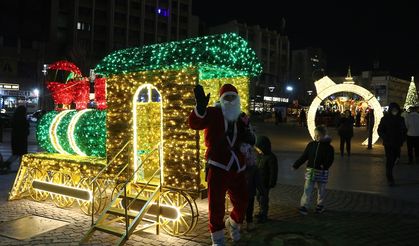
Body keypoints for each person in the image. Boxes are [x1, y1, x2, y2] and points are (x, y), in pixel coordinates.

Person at [189, 84, 255, 245]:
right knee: (216, 205)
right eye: (227, 97)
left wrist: (248, 132)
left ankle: (232, 223)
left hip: (238, 166)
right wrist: (200, 108)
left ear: (238, 99)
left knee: (243, 201)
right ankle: (217, 239)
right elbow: (194, 124)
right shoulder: (213, 113)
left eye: (233, 97)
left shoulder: (241, 117)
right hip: (218, 165)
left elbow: (251, 139)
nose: (231, 101)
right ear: (222, 99)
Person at [293, 125, 334, 215]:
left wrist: (325, 166)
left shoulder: (329, 148)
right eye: (315, 135)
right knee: (307, 189)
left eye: (318, 135)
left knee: (321, 190)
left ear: (324, 136)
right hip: (311, 171)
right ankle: (304, 205)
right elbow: (304, 156)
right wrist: (296, 165)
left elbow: (330, 159)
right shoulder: (311, 145)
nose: (316, 137)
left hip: (322, 172)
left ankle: (320, 205)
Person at [378, 102, 407, 186]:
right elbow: (380, 130)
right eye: (393, 110)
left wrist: (402, 138)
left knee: (395, 158)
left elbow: (404, 129)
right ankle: (389, 176)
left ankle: (389, 172)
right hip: (388, 143)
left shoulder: (401, 119)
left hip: (397, 142)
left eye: (396, 110)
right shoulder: (385, 119)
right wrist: (385, 137)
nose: (395, 111)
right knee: (390, 159)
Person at [253, 136, 278, 223]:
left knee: (264, 199)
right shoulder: (259, 156)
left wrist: (272, 182)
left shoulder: (271, 157)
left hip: (265, 183)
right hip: (259, 182)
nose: (258, 150)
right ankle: (261, 212)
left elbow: (273, 171)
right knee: (259, 198)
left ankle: (264, 215)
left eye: (259, 149)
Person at [3, 106, 30, 173]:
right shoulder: (23, 119)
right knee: (21, 154)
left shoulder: (14, 118)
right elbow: (25, 129)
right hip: (21, 139)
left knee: (17, 154)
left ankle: (9, 164)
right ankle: (9, 164)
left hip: (15, 138)